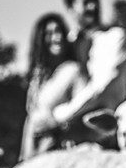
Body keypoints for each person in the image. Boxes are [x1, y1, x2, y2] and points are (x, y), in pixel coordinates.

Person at [34, 0, 126, 149]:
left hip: (102, 127)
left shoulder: (114, 37)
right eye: (85, 3)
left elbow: (101, 88)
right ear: (71, 9)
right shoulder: (70, 41)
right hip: (65, 129)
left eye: (94, 1)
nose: (92, 7)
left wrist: (61, 117)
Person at [20, 13, 87, 160]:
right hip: (32, 151)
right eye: (49, 34)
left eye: (59, 31)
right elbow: (31, 118)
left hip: (56, 154)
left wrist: (59, 126)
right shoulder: (37, 76)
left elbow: (82, 111)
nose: (56, 38)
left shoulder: (73, 71)